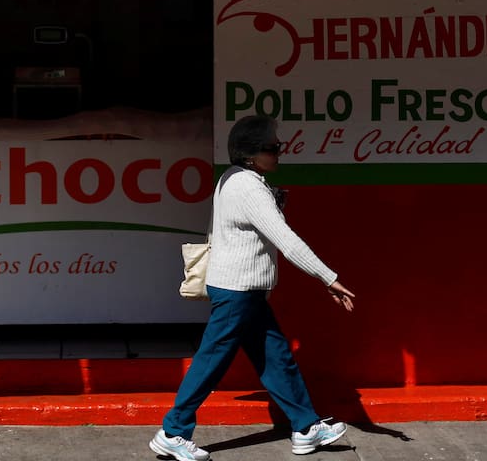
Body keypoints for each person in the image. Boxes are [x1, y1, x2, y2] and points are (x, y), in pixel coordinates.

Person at [150, 115, 356, 461]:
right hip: (237, 292)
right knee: (211, 361)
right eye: (272, 148)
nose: (279, 152)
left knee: (277, 359)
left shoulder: (232, 179)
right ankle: (173, 430)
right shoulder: (248, 187)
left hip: (244, 291)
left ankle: (305, 427)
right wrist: (328, 278)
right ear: (250, 153)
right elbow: (286, 241)